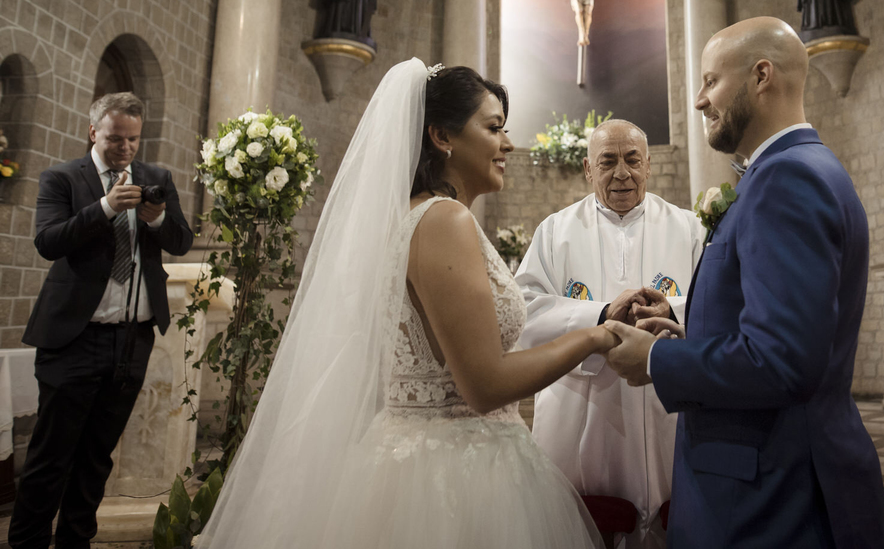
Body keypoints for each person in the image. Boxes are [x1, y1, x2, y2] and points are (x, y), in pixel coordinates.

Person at [198, 61, 613, 548]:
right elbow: (484, 384)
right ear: (442, 136)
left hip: (416, 456)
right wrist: (594, 336)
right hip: (456, 473)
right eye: (494, 128)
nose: (508, 144)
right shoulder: (444, 221)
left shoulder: (417, 216)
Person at [604, 17, 884, 548]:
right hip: (773, 472)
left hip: (768, 495)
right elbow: (777, 327)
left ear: (762, 75)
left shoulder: (787, 178)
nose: (698, 101)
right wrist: (684, 332)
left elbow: (782, 360)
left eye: (711, 81)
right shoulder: (796, 168)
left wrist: (654, 360)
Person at [10, 93, 193, 549]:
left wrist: (158, 218)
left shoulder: (156, 179)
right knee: (51, 458)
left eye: (133, 138)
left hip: (132, 340)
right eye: (115, 138)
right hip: (74, 338)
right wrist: (107, 207)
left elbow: (183, 241)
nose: (126, 147)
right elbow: (49, 241)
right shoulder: (62, 178)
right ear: (94, 132)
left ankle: (76, 542)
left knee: (96, 459)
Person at [517, 119, 705, 548]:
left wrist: (668, 312)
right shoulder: (555, 232)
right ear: (588, 169)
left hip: (666, 407)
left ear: (649, 165)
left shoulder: (689, 229)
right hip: (581, 410)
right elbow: (525, 311)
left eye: (632, 159)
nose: (622, 172)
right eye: (608, 161)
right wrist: (600, 315)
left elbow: (714, 303)